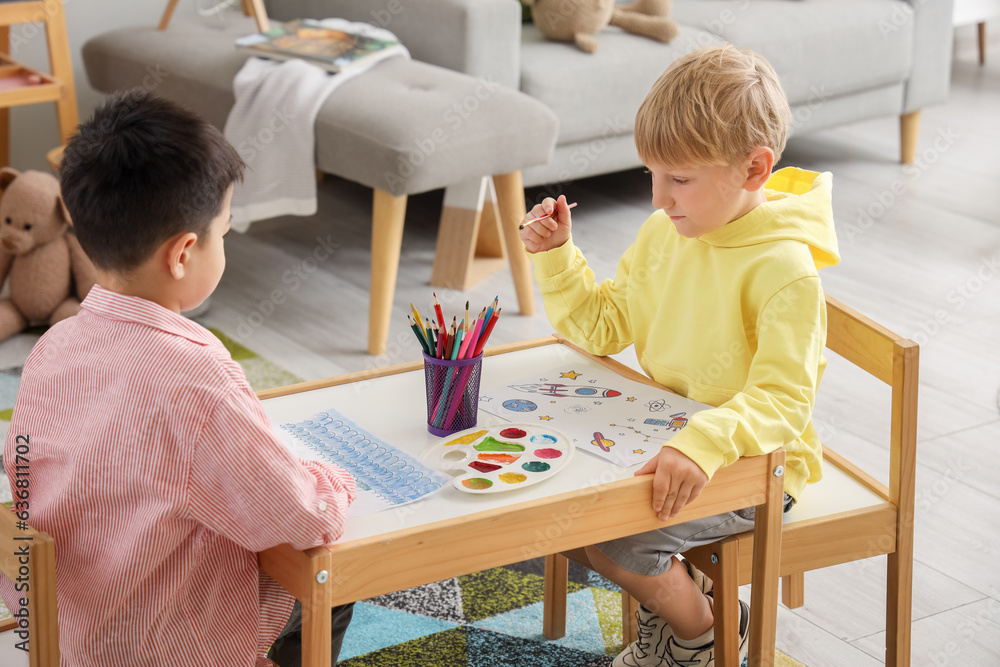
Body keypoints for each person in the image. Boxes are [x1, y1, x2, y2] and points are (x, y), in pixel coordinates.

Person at [0, 89, 356, 666]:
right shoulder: (196, 380)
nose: (226, 241)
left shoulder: (51, 347)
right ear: (184, 252)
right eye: (226, 229)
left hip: (71, 626)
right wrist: (331, 476)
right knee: (337, 575)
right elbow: (304, 516)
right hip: (166, 641)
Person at [518, 44, 840, 667]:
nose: (660, 199)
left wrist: (702, 441)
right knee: (560, 511)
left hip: (757, 465)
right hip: (667, 434)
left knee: (612, 540)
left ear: (754, 169)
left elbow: (783, 402)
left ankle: (705, 634)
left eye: (680, 180)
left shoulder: (785, 271)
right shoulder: (665, 231)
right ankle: (697, 618)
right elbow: (603, 325)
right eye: (653, 176)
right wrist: (557, 255)